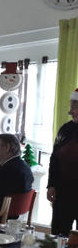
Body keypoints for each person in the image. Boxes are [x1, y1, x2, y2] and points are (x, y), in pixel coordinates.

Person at [47, 88, 78, 235]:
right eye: (71, 108)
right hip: (63, 192)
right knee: (58, 235)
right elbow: (54, 158)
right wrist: (51, 185)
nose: (70, 112)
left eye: (75, 108)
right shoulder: (65, 130)